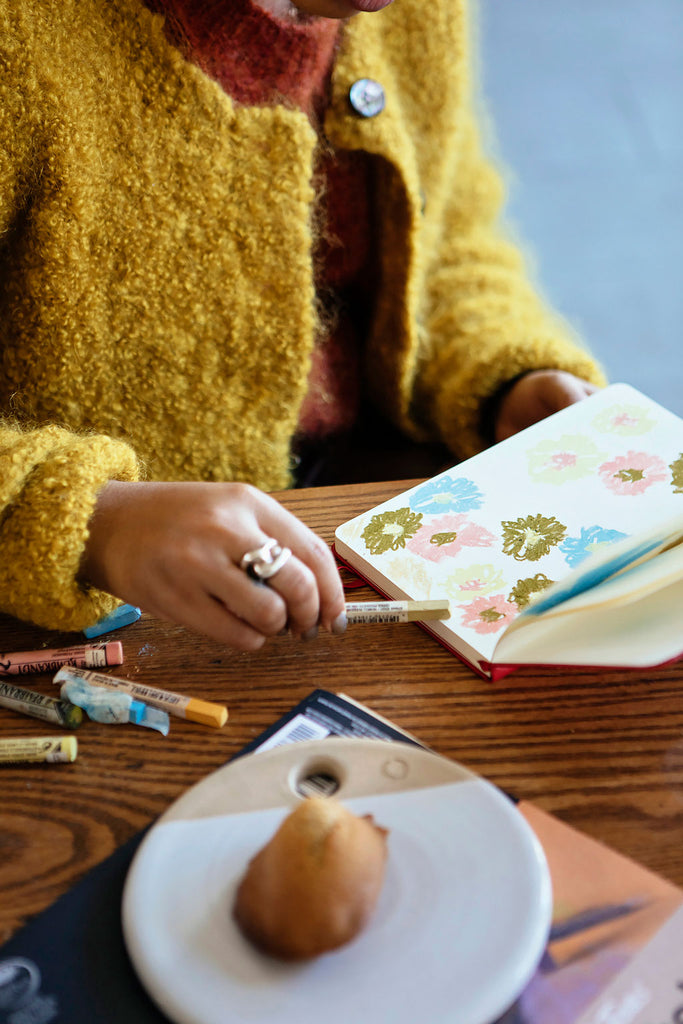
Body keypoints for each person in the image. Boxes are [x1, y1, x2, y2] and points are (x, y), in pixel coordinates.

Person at [0, 0, 606, 652]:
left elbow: (451, 222)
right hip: (100, 627)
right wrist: (87, 520)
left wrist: (501, 370)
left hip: (370, 516)